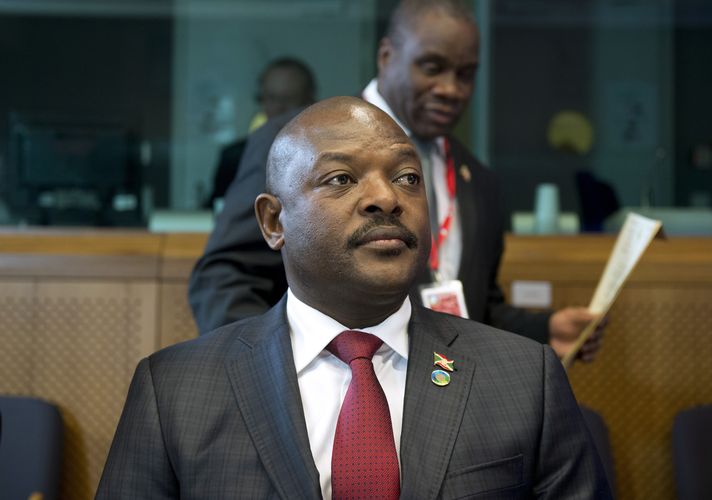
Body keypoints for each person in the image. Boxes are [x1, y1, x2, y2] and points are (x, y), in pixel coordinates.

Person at [97, 97, 611, 498]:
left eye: (407, 178)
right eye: (341, 179)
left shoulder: (526, 381)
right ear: (274, 222)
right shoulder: (173, 392)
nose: (387, 198)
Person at [189, 0, 603, 363]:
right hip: (329, 391)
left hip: (442, 401)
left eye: (466, 74)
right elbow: (225, 277)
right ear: (387, 56)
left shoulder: (478, 180)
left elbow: (471, 305)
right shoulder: (298, 143)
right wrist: (267, 372)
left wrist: (544, 330)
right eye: (432, 67)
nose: (450, 89)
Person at [205, 57, 316, 208]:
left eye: (287, 99)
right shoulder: (234, 158)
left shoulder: (323, 154)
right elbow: (216, 210)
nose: (278, 107)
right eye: (270, 98)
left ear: (309, 102)